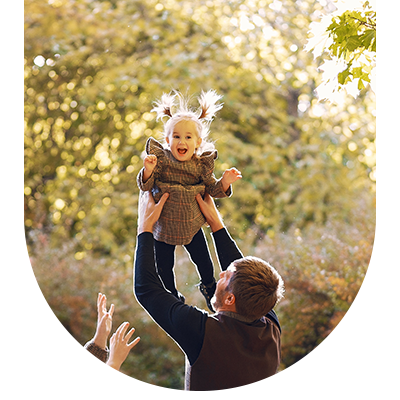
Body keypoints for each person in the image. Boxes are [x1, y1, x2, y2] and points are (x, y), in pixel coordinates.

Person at [134, 191, 285, 391]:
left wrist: (145, 227)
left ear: (230, 299)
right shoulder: (268, 326)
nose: (221, 274)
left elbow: (146, 289)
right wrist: (215, 222)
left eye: (226, 276)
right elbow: (240, 275)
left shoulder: (202, 333)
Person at [137, 90, 242, 310]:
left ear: (198, 143)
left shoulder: (200, 165)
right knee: (164, 267)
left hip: (192, 226)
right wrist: (147, 170)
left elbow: (213, 189)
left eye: (187, 137)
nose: (181, 141)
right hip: (163, 228)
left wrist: (225, 181)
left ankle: (209, 287)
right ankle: (172, 294)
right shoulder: (162, 162)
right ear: (167, 140)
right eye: (176, 136)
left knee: (204, 262)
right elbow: (146, 186)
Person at [24, 293, 140, 391]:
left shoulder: (34, 360)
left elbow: (77, 382)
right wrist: (114, 363)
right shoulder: (27, 387)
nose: (28, 321)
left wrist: (101, 335)